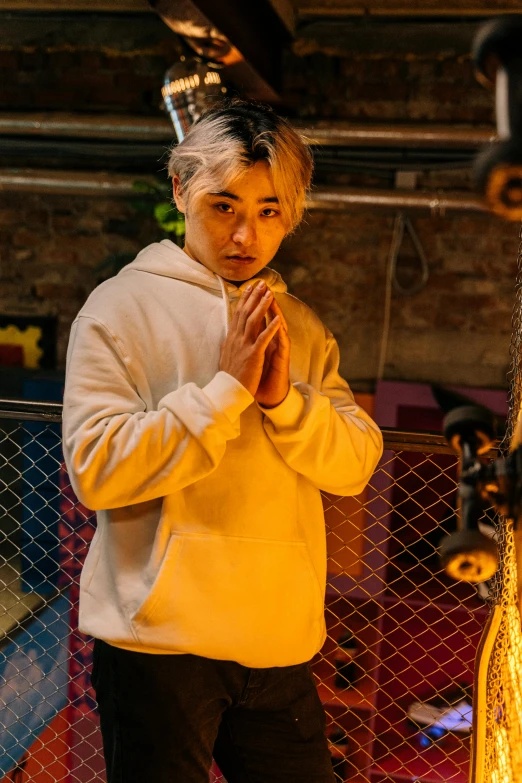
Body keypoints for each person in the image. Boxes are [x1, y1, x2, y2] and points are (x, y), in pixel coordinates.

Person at [62, 98, 383, 783]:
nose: (246, 233)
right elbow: (95, 469)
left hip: (276, 644)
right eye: (224, 205)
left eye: (270, 210)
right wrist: (226, 393)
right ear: (181, 190)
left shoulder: (300, 325)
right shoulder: (119, 309)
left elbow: (355, 464)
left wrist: (281, 401)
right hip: (157, 645)